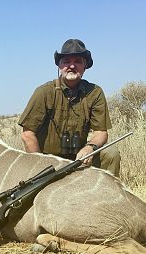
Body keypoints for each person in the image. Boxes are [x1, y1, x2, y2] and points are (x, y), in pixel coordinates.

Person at [18, 39, 121, 177]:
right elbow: (27, 134)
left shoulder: (95, 92)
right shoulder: (44, 92)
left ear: (85, 66)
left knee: (111, 154)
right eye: (66, 61)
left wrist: (90, 147)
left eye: (78, 61)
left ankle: (107, 196)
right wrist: (40, 167)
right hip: (48, 161)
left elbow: (101, 132)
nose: (72, 66)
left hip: (80, 159)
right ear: (59, 66)